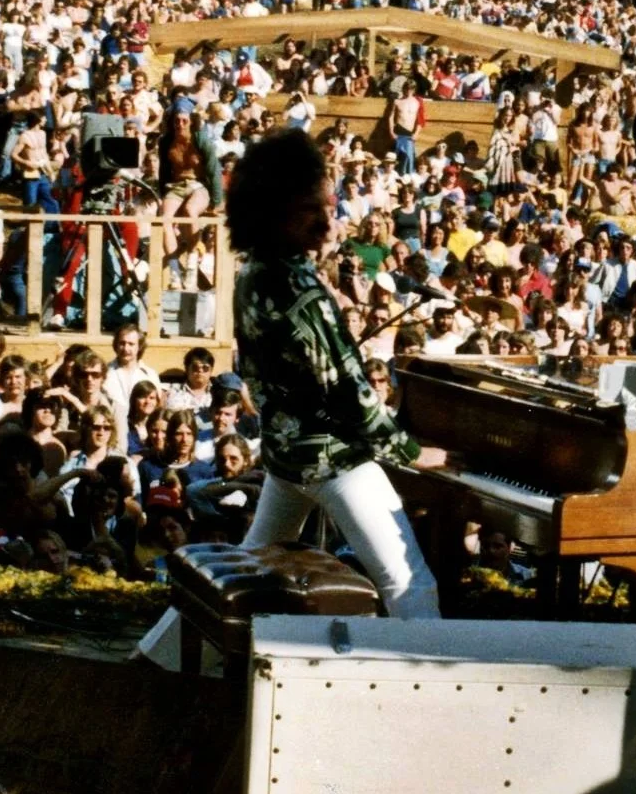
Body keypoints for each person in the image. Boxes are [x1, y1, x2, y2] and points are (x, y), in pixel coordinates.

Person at [138, 129, 440, 669]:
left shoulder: (253, 275)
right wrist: (414, 453)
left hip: (285, 455)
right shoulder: (301, 292)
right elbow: (351, 393)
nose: (327, 223)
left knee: (247, 562)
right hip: (332, 457)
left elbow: (258, 371)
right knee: (411, 584)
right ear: (275, 212)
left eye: (326, 207)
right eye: (310, 212)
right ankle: (440, 697)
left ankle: (153, 663)